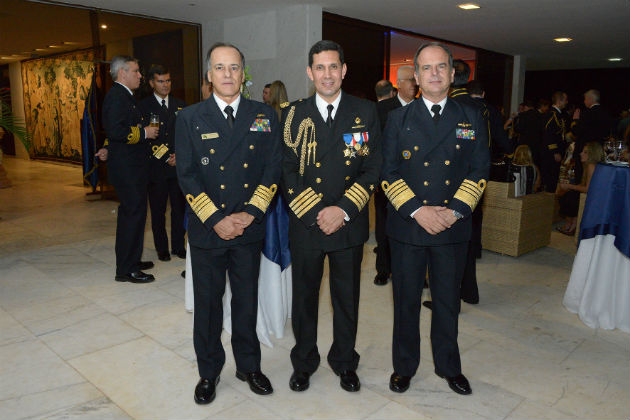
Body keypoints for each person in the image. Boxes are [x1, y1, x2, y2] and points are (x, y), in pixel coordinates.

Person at [175, 42, 282, 405]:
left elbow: (272, 168)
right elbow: (187, 176)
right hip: (209, 229)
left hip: (248, 228)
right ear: (209, 75)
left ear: (243, 74)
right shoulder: (190, 117)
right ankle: (209, 371)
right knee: (208, 305)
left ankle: (249, 366)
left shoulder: (263, 115)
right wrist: (216, 219)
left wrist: (251, 213)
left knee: (247, 301)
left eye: (234, 67)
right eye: (220, 68)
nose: (227, 74)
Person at [381, 42, 489, 396]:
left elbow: (479, 170)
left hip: (451, 225)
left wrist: (454, 211)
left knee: (447, 302)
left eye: (441, 66)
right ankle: (404, 367)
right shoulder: (398, 118)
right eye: (426, 68)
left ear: (453, 73)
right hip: (409, 225)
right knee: (406, 302)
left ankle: (449, 366)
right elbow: (388, 172)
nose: (434, 73)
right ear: (416, 75)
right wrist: (419, 210)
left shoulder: (471, 116)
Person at [281, 40, 381, 393]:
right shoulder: (293, 114)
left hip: (348, 224)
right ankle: (304, 362)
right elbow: (286, 170)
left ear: (344, 70)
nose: (327, 74)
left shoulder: (366, 111)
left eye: (333, 66)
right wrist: (315, 212)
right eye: (320, 67)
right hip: (306, 224)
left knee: (346, 299)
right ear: (310, 72)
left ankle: (344, 361)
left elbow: (373, 168)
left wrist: (343, 210)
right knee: (304, 300)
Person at [101, 56, 158, 284]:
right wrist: (145, 133)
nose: (140, 76)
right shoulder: (117, 96)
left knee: (136, 215)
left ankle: (132, 260)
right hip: (128, 170)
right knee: (132, 216)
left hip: (133, 168)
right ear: (122, 73)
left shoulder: (125, 96)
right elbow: (116, 131)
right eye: (136, 71)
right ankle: (127, 269)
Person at [373, 65, 418, 285]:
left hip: (416, 180)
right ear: (398, 84)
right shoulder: (382, 109)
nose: (414, 85)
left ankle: (416, 272)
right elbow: (374, 146)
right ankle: (384, 268)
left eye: (415, 80)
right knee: (384, 226)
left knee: (414, 226)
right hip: (387, 180)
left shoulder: (422, 108)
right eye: (410, 80)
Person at [138, 65, 187, 262]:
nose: (165, 85)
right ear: (152, 83)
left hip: (178, 167)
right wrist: (166, 156)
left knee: (179, 209)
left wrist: (180, 156)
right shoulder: (143, 106)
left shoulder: (180, 105)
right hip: (156, 168)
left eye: (168, 80)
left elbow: (186, 135)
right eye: (160, 81)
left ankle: (178, 246)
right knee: (158, 211)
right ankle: (162, 248)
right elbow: (146, 138)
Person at [557, 141, 605, 235]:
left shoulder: (591, 166)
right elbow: (584, 185)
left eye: (585, 152)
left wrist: (569, 186)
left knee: (567, 198)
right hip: (592, 194)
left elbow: (588, 189)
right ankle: (572, 223)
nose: (581, 153)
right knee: (568, 194)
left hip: (594, 197)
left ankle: (572, 223)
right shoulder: (589, 165)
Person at [541, 91, 569, 193]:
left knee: (553, 178)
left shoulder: (558, 114)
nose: (567, 102)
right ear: (559, 101)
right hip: (551, 153)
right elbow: (548, 134)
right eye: (565, 100)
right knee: (550, 179)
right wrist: (555, 151)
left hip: (556, 152)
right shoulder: (552, 114)